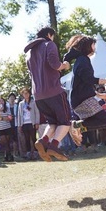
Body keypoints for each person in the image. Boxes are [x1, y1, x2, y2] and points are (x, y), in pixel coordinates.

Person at [24, 26, 73, 161]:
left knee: (52, 123)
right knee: (65, 122)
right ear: (49, 35)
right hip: (54, 91)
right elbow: (54, 64)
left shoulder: (29, 53)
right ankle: (54, 145)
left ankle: (43, 140)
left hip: (38, 95)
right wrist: (65, 65)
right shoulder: (49, 44)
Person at [63, 35, 106, 145]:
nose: (95, 47)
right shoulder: (83, 60)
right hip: (81, 100)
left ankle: (76, 127)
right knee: (104, 120)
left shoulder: (81, 60)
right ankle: (75, 126)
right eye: (93, 45)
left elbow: (83, 84)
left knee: (100, 121)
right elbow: (89, 79)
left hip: (79, 99)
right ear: (88, 46)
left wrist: (100, 95)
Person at [16, 87, 40, 160]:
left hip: (32, 123)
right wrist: (19, 125)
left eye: (27, 93)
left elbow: (37, 113)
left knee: (33, 138)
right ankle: (28, 153)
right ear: (22, 95)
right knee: (26, 139)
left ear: (29, 94)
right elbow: (19, 114)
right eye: (24, 93)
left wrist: (37, 122)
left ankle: (36, 153)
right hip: (24, 123)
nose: (26, 95)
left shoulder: (33, 102)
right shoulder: (21, 103)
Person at [0, 97, 13, 162]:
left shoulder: (7, 109)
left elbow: (10, 117)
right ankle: (9, 155)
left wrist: (1, 118)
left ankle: (7, 156)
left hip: (7, 127)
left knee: (7, 142)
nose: (1, 102)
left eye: (2, 101)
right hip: (0, 128)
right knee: (4, 142)